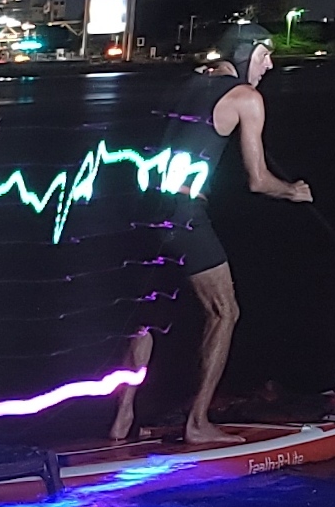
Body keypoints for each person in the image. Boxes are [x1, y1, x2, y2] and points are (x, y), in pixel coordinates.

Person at [108, 23, 312, 445]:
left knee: (146, 319)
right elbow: (258, 180)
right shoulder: (247, 98)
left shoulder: (187, 84)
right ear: (245, 53)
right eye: (265, 55)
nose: (270, 66)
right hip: (185, 214)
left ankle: (121, 420)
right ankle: (197, 423)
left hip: (145, 211)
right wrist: (292, 191)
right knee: (224, 312)